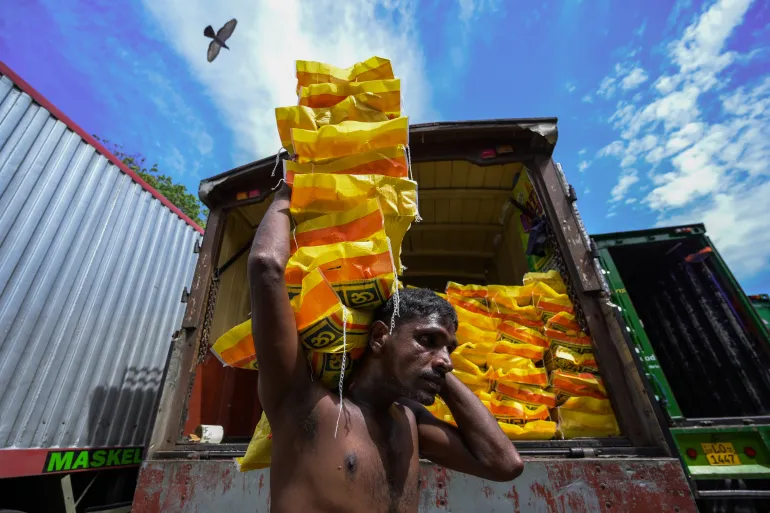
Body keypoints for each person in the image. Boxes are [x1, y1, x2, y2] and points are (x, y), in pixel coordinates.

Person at [248, 184, 523, 513]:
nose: (446, 361)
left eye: (449, 348)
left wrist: (437, 367)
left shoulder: (411, 421)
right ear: (380, 337)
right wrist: (286, 190)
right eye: (427, 339)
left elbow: (505, 465)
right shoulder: (307, 404)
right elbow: (266, 266)